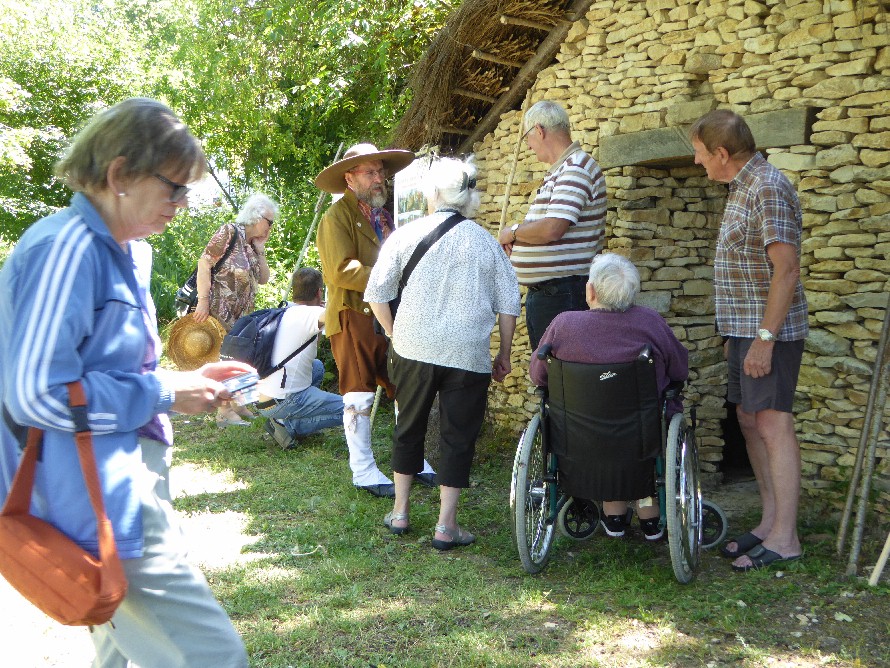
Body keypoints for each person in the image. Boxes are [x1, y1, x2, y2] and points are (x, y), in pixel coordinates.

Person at [0, 98, 250, 667]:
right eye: (174, 188)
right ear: (119, 175)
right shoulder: (65, 249)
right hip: (91, 495)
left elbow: (106, 374)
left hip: (119, 479)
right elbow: (37, 392)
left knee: (118, 652)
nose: (184, 204)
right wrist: (164, 392)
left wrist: (181, 381)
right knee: (214, 656)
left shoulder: (128, 252)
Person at [366, 157, 520, 550]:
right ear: (470, 197)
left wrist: (392, 331)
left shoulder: (405, 234)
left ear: (433, 194)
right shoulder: (486, 242)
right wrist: (503, 353)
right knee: (458, 436)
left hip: (413, 348)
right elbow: (508, 304)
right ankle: (445, 526)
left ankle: (400, 512)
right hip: (467, 354)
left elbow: (377, 293)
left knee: (409, 426)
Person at [690, 109, 807, 572]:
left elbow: (787, 269)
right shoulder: (742, 187)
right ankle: (770, 522)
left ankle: (787, 537)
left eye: (700, 155)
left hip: (767, 334)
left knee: (773, 424)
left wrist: (764, 338)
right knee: (747, 419)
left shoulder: (769, 188)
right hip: (743, 331)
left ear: (721, 153)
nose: (698, 163)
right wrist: (736, 336)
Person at [529, 253, 688, 540]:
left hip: (577, 442)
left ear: (590, 291)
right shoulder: (650, 322)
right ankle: (650, 516)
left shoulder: (564, 324)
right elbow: (679, 368)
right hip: (643, 437)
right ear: (632, 293)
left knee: (599, 430)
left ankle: (614, 514)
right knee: (645, 427)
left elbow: (538, 376)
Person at [315, 143, 436, 498]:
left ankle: (413, 460)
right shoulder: (335, 218)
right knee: (359, 392)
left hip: (392, 313)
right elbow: (341, 271)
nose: (379, 179)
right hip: (355, 314)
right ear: (349, 178)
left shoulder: (386, 216)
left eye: (381, 171)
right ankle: (363, 471)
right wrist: (395, 276)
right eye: (370, 173)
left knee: (405, 388)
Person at [497, 100, 607, 350]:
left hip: (563, 294)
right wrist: (520, 237)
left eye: (527, 137)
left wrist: (513, 233)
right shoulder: (562, 170)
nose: (528, 145)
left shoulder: (576, 167)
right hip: (553, 294)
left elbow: (552, 228)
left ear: (539, 130)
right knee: (550, 378)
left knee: (560, 378)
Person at [192, 192, 277, 426]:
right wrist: (203, 300)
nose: (271, 228)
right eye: (269, 222)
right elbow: (204, 263)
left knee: (239, 357)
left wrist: (260, 251)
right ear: (256, 216)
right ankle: (224, 412)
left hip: (242, 315)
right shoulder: (229, 232)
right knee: (225, 359)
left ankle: (238, 403)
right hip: (221, 310)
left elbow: (263, 279)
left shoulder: (251, 244)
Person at [255, 267, 344, 449]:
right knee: (352, 410)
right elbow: (338, 310)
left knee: (317, 366)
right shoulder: (311, 314)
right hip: (284, 399)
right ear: (319, 292)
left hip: (262, 396)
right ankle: (287, 426)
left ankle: (283, 417)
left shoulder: (283, 309)